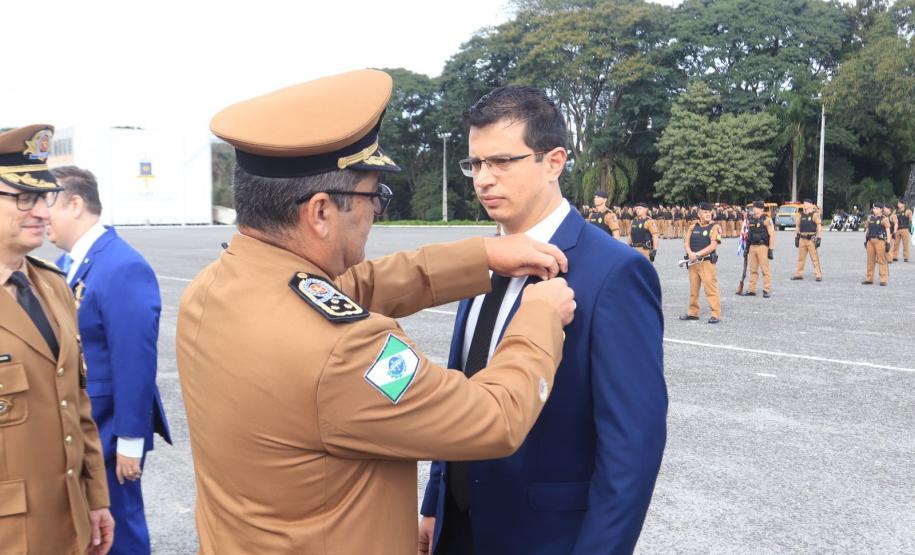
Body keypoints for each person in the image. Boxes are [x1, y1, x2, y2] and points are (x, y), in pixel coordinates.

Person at [175, 69, 576, 554]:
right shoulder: (346, 350)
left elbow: (347, 287)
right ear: (320, 211)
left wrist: (480, 257)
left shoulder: (214, 288)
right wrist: (540, 318)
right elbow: (491, 418)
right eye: (373, 196)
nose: (376, 212)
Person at [419, 85, 667, 555]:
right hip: (459, 527)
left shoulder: (613, 272)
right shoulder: (485, 257)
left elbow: (633, 445)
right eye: (475, 164)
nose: (483, 179)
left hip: (542, 537)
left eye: (502, 162)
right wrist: (436, 501)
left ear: (553, 162)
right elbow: (465, 381)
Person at [46, 165, 172, 555]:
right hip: (85, 426)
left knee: (121, 532)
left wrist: (131, 440)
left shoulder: (121, 266)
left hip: (110, 431)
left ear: (76, 204)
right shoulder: (68, 265)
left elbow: (135, 361)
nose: (40, 214)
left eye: (47, 203)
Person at [0, 125, 113, 554]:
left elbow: (76, 403)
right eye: (24, 198)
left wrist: (96, 499)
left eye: (44, 198)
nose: (44, 214)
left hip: (70, 524)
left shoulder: (53, 286)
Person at [679, 202, 722, 324]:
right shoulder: (693, 227)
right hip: (693, 263)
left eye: (709, 212)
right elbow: (686, 242)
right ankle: (693, 313)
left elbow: (713, 245)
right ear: (699, 214)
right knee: (693, 290)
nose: (708, 214)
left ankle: (715, 314)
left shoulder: (715, 227)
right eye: (705, 212)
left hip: (706, 262)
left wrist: (697, 254)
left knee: (711, 289)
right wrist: (690, 253)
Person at [740, 200, 776, 298]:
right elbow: (748, 235)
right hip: (752, 246)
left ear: (760, 208)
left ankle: (766, 289)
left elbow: (772, 234)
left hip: (762, 246)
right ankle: (752, 289)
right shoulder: (751, 219)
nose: (753, 208)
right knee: (753, 269)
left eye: (755, 207)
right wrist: (746, 248)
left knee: (765, 269)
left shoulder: (766, 219)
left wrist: (771, 249)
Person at [791, 199, 823, 281]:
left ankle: (818, 275)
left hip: (811, 239)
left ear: (811, 205)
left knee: (814, 258)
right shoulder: (800, 215)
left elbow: (819, 226)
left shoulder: (815, 215)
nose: (804, 205)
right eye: (804, 203)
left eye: (806, 203)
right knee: (801, 258)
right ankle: (799, 274)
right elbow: (797, 226)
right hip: (802, 238)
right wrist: (796, 237)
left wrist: (819, 238)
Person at [862, 202, 892, 285]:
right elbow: (866, 229)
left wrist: (888, 243)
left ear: (881, 209)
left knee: (881, 260)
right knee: (870, 261)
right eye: (873, 208)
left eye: (876, 208)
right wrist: (866, 240)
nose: (874, 210)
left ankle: (883, 279)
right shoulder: (870, 218)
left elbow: (888, 231)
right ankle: (869, 278)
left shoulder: (884, 218)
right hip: (870, 241)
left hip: (880, 241)